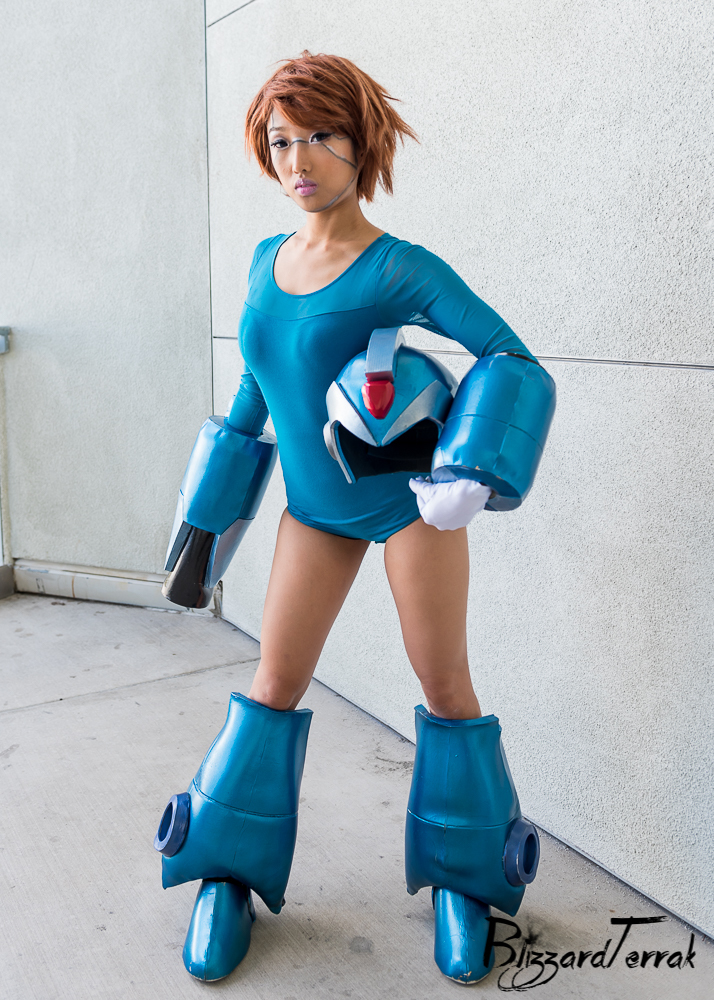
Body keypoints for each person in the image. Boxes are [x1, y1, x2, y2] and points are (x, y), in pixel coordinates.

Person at [155, 51, 552, 986]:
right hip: (314, 510)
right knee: (273, 683)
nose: (298, 160)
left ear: (360, 141)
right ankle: (226, 869)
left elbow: (511, 358)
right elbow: (258, 386)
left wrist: (470, 465)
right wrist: (206, 517)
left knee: (445, 685)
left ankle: (465, 877)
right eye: (281, 140)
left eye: (320, 135)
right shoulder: (266, 261)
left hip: (409, 507)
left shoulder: (398, 267)